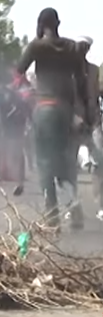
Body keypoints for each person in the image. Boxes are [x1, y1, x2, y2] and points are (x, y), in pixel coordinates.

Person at [15, 7, 89, 229]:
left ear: (40, 24)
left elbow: (18, 71)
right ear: (58, 23)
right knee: (66, 161)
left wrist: (29, 90)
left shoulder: (36, 47)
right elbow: (82, 82)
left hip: (45, 108)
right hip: (66, 111)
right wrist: (84, 111)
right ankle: (74, 207)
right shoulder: (72, 48)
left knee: (45, 161)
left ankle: (52, 214)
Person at [71, 36, 103, 221]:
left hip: (93, 121)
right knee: (70, 167)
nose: (83, 50)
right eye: (80, 46)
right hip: (73, 121)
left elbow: (95, 93)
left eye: (86, 47)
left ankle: (101, 205)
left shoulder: (93, 70)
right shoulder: (67, 71)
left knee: (99, 164)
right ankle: (72, 205)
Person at [0, 71, 32, 196]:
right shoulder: (16, 95)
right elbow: (26, 110)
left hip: (1, 129)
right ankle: (20, 183)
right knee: (18, 155)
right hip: (15, 129)